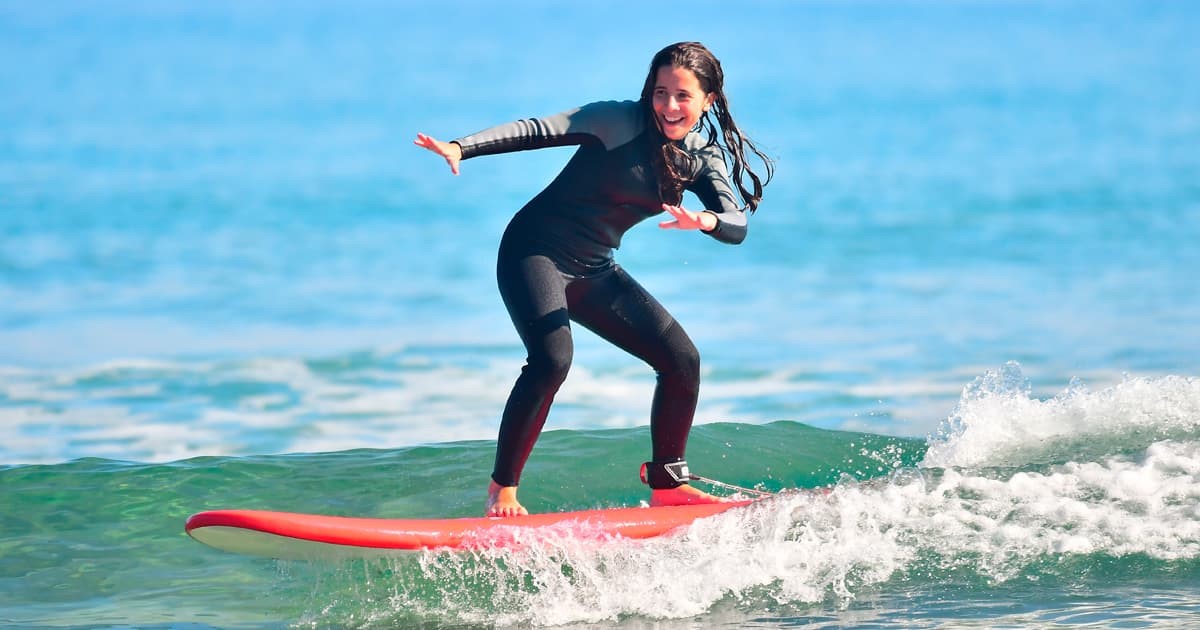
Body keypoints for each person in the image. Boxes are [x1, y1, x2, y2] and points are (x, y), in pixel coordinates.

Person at [414, 41, 773, 517]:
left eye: (683, 96)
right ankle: (502, 490)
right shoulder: (617, 121)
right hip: (534, 250)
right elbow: (537, 130)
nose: (668, 106)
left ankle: (667, 484)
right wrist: (461, 147)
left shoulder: (702, 158)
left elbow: (737, 222)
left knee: (681, 358)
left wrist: (705, 221)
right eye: (660, 92)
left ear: (707, 100)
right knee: (551, 359)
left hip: (593, 267)